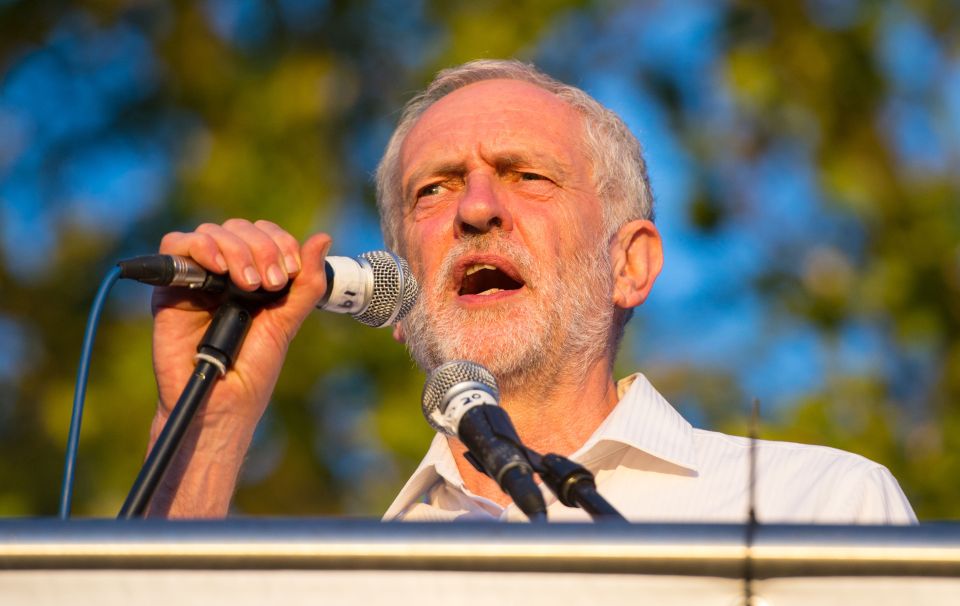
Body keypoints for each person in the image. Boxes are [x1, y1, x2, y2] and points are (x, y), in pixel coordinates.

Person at [146, 60, 916, 524]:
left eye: (527, 176)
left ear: (632, 266)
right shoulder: (341, 585)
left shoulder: (813, 507)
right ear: (397, 305)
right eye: (434, 191)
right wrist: (205, 425)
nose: (477, 209)